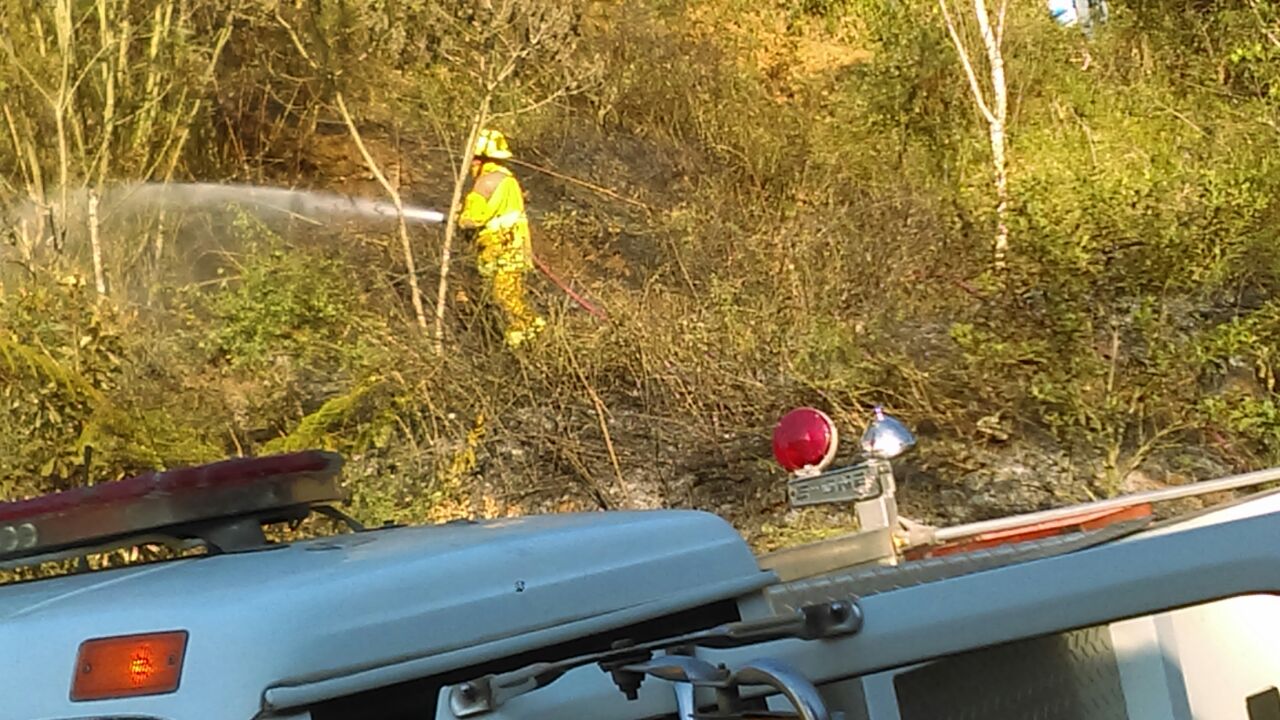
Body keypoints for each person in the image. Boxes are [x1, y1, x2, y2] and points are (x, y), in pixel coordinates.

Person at [457, 128, 546, 349]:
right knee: (510, 295)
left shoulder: (484, 183)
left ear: (479, 159)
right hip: (514, 247)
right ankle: (530, 338)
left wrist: (458, 218)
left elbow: (473, 219)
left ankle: (526, 342)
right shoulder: (507, 180)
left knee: (505, 298)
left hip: (500, 250)